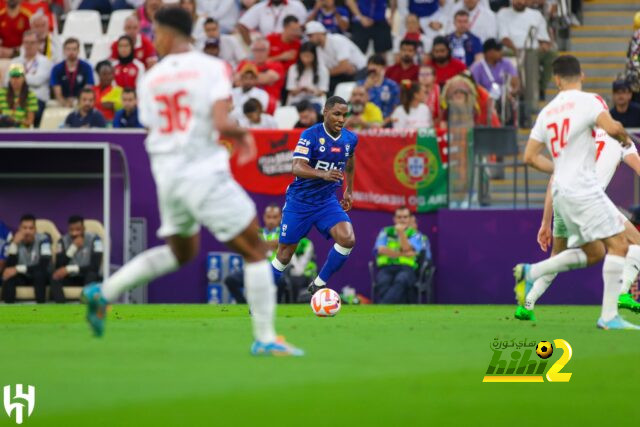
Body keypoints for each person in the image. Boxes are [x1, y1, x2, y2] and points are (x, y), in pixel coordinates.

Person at [82, 6, 303, 356]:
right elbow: (220, 121)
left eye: (155, 32)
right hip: (202, 171)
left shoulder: (150, 78)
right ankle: (265, 337)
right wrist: (242, 136)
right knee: (256, 250)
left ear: (170, 33)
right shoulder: (212, 67)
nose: (154, 39)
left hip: (167, 176)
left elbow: (155, 127)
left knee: (181, 251)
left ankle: (104, 292)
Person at [515, 55, 639, 329]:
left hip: (561, 193)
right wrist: (622, 135)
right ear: (581, 75)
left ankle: (531, 279)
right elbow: (612, 127)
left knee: (593, 252)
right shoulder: (590, 102)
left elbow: (530, 157)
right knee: (625, 244)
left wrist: (558, 172)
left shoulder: (547, 112)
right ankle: (610, 314)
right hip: (585, 191)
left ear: (556, 79)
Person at [519, 128, 640, 321]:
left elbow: (553, 181)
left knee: (557, 256)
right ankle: (622, 292)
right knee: (633, 243)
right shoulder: (622, 140)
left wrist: (545, 222)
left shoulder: (578, 138)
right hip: (589, 199)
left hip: (562, 199)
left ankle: (527, 303)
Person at [271, 96, 357, 297]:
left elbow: (350, 161)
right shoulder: (310, 135)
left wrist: (349, 190)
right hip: (299, 202)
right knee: (284, 256)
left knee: (347, 239)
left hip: (326, 202)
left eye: (344, 115)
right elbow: (297, 167)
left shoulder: (350, 138)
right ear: (325, 112)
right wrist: (323, 174)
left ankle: (319, 283)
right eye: (337, 114)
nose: (341, 119)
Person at [497, 0, 555, 99]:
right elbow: (503, 38)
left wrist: (545, 45)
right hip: (510, 50)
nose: (520, 1)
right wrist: (516, 50)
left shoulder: (536, 15)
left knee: (551, 54)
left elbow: (543, 38)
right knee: (524, 56)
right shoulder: (503, 13)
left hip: (533, 50)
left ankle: (541, 88)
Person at [373, 206, 423, 304]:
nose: (402, 220)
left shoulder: (415, 234)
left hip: (407, 268)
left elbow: (407, 248)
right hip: (386, 267)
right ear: (394, 219)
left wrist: (401, 232)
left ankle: (382, 307)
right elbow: (380, 249)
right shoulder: (386, 231)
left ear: (409, 219)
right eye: (399, 217)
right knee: (383, 282)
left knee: (401, 280)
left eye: (405, 217)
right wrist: (403, 254)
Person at [50, 216, 103, 304]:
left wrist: (69, 269)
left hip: (87, 276)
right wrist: (72, 248)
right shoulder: (62, 241)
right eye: (71, 230)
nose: (75, 233)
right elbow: (59, 267)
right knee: (54, 277)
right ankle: (61, 308)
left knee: (92, 275)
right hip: (70, 277)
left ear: (83, 229)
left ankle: (84, 307)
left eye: (78, 230)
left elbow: (95, 266)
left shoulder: (95, 240)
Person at [2, 214, 51, 304]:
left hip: (37, 275)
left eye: (31, 228)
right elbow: (9, 267)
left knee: (39, 274)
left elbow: (44, 265)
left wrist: (17, 269)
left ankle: (41, 310)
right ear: (19, 229)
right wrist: (14, 244)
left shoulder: (44, 240)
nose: (27, 231)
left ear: (35, 230)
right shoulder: (13, 241)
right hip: (21, 277)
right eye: (24, 228)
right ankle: (8, 310)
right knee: (9, 276)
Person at [305, 21, 366, 93]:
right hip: (342, 74)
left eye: (311, 36)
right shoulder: (318, 49)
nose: (309, 39)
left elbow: (344, 66)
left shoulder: (337, 40)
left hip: (360, 70)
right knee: (325, 85)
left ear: (319, 33)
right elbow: (323, 70)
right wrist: (326, 73)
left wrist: (326, 73)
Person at [10, 30, 50, 127]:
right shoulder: (16, 61)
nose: (29, 45)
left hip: (37, 98)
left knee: (30, 109)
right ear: (22, 44)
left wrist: (19, 77)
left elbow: (37, 81)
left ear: (38, 44)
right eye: (26, 42)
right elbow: (9, 80)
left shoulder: (44, 61)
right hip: (15, 98)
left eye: (32, 42)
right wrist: (27, 78)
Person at [236, 38, 285, 114]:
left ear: (268, 50)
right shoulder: (244, 64)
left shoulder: (276, 65)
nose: (259, 53)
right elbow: (236, 81)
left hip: (270, 103)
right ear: (252, 51)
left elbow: (267, 78)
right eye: (256, 50)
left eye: (262, 50)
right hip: (245, 102)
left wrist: (246, 78)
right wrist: (262, 77)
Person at [237, 0, 307, 46]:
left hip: (290, 45)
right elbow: (242, 26)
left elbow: (303, 27)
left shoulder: (296, 5)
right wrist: (251, 45)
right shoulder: (260, 7)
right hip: (268, 47)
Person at [50, 38, 94, 107]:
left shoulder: (87, 67)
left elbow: (87, 89)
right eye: (68, 49)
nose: (71, 52)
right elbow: (57, 93)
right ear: (64, 51)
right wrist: (65, 103)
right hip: (62, 103)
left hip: (81, 103)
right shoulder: (56, 69)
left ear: (78, 51)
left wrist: (78, 103)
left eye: (74, 49)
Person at [285, 41, 329, 107]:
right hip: (297, 101)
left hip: (315, 101)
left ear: (314, 56)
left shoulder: (322, 69)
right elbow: (291, 90)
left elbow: (322, 91)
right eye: (303, 56)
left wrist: (312, 91)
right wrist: (300, 90)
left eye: (309, 56)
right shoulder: (293, 68)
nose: (306, 59)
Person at [359, 54, 400, 119]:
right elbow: (354, 105)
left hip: (386, 121)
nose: (373, 67)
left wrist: (385, 122)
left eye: (377, 65)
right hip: (365, 121)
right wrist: (365, 88)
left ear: (383, 67)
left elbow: (396, 107)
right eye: (371, 64)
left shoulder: (392, 85)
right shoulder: (360, 85)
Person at [0, 63, 38, 128]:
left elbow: (30, 121)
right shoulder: (2, 93)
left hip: (21, 132)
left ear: (24, 78)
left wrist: (15, 121)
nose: (15, 80)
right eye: (12, 77)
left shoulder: (30, 96)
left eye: (18, 76)